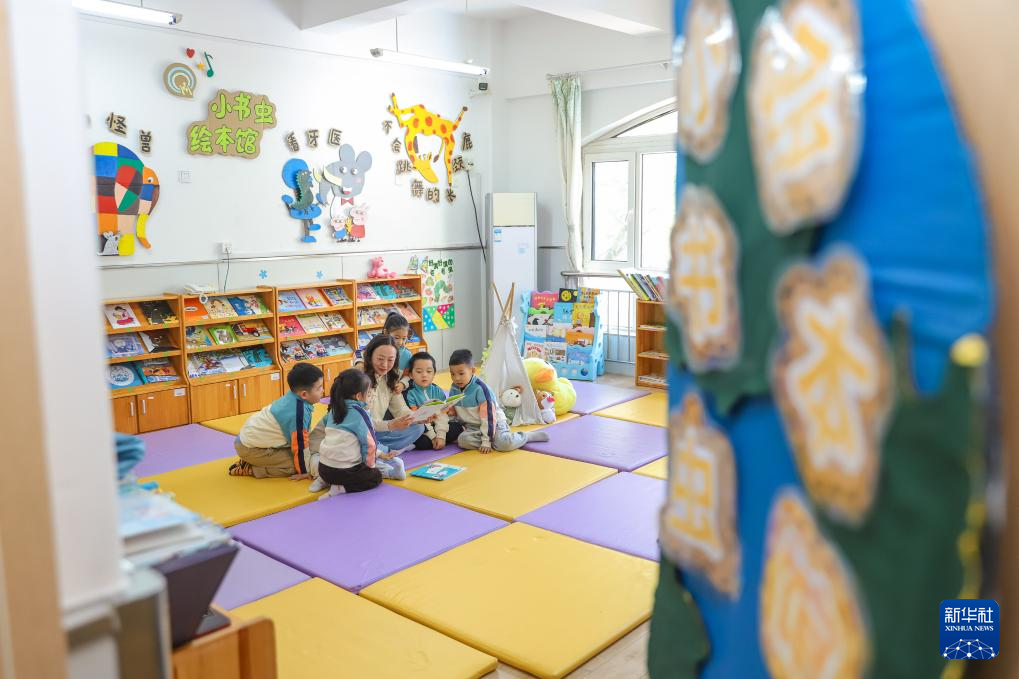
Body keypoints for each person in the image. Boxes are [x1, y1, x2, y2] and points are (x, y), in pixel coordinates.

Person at [229, 362, 324, 478]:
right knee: (295, 466)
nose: (323, 390)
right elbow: (300, 446)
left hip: (247, 441)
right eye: (319, 388)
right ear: (304, 394)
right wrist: (305, 472)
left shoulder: (294, 396)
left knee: (305, 454)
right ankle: (250, 469)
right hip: (250, 449)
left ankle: (254, 461)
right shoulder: (297, 412)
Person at [306, 369, 390, 498]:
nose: (370, 397)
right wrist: (370, 467)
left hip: (323, 469)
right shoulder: (361, 414)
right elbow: (370, 444)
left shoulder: (334, 410)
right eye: (368, 393)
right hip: (343, 473)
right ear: (358, 396)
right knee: (375, 477)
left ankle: (323, 480)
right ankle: (340, 488)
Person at [447, 349, 549, 453]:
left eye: (461, 373)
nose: (457, 378)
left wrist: (486, 441)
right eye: (452, 374)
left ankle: (525, 436)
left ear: (472, 371)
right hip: (474, 426)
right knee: (463, 441)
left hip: (494, 423)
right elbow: (452, 411)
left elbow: (489, 418)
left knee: (503, 444)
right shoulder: (454, 389)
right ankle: (493, 440)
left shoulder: (481, 389)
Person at [362, 334, 425, 457]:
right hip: (360, 430)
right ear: (370, 356)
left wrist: (418, 417)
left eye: (390, 360)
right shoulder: (359, 379)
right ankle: (382, 450)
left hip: (378, 430)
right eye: (380, 359)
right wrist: (390, 425)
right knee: (363, 440)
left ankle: (380, 450)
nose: (385, 365)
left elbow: (400, 409)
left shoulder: (390, 378)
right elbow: (359, 422)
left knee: (418, 427)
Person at [404, 351, 462, 450]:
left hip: (438, 424)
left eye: (429, 371)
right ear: (410, 374)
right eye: (419, 372)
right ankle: (439, 440)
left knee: (457, 427)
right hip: (423, 428)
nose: (424, 375)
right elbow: (416, 419)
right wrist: (432, 436)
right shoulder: (410, 393)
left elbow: (443, 415)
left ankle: (441, 440)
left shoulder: (437, 390)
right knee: (422, 442)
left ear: (434, 373)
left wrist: (441, 436)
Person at [354, 312, 412, 392]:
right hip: (373, 387)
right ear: (385, 332)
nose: (400, 342)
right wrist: (360, 362)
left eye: (404, 338)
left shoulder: (407, 354)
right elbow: (360, 352)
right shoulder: (378, 345)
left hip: (393, 390)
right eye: (396, 338)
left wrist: (403, 383)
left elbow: (408, 374)